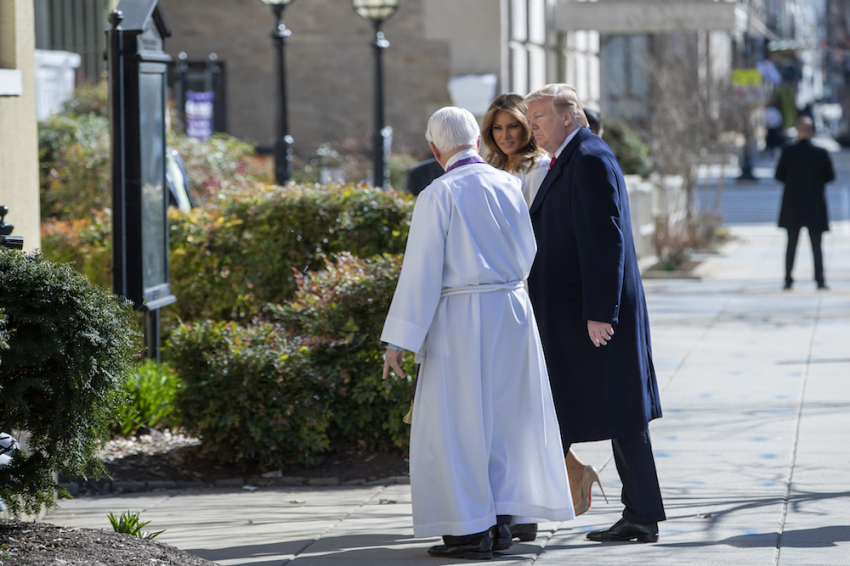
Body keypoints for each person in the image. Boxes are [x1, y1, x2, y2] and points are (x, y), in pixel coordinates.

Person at [381, 106, 574, 559]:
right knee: (506, 422)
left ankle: (469, 531)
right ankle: (503, 524)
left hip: (460, 319)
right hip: (511, 310)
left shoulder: (437, 194)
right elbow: (529, 249)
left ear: (434, 148)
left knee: (459, 425)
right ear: (476, 139)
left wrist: (400, 340)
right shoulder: (508, 184)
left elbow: (421, 273)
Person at [524, 84, 665, 543]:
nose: (533, 126)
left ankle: (640, 515)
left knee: (623, 414)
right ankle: (635, 511)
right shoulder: (576, 155)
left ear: (569, 115)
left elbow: (606, 240)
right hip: (581, 310)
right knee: (617, 413)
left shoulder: (587, 157)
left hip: (594, 315)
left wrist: (601, 312)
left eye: (540, 115)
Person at [481, 93, 607, 527]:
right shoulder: (492, 167)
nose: (506, 136)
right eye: (497, 129)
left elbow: (536, 235)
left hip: (530, 291)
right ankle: (562, 478)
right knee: (516, 405)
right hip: (502, 293)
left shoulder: (537, 169)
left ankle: (544, 493)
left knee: (530, 401)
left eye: (513, 126)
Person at [775, 116, 835, 290]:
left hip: (793, 203)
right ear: (812, 132)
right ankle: (820, 279)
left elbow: (779, 175)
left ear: (797, 131)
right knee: (816, 244)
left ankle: (788, 279)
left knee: (791, 242)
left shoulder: (788, 151)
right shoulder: (820, 153)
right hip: (814, 203)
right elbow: (830, 176)